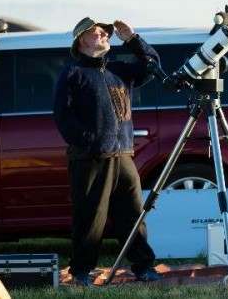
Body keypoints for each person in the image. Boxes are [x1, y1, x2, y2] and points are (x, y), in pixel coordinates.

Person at [53, 17, 163, 286]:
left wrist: (133, 39)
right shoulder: (73, 73)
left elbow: (152, 66)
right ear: (82, 40)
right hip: (90, 159)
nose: (104, 35)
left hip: (123, 155)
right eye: (98, 32)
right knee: (90, 216)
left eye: (106, 33)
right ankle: (80, 271)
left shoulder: (118, 71)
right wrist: (89, 140)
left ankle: (143, 266)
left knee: (132, 213)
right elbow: (62, 115)